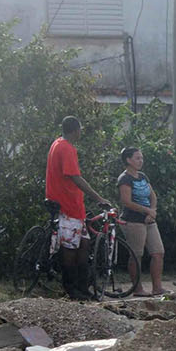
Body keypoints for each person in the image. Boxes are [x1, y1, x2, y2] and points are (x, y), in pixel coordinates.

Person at [45, 115, 109, 300]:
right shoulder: (67, 148)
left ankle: (83, 287)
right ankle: (71, 288)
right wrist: (97, 197)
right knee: (70, 250)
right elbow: (75, 177)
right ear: (76, 130)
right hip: (68, 205)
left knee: (84, 244)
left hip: (71, 205)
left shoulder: (57, 143)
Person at [115, 147, 165, 296]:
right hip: (133, 221)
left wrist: (152, 211)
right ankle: (138, 289)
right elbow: (126, 201)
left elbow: (152, 196)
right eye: (137, 158)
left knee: (158, 252)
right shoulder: (124, 179)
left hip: (149, 219)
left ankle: (157, 287)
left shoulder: (142, 176)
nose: (140, 161)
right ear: (128, 160)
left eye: (141, 158)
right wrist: (146, 210)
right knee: (136, 255)